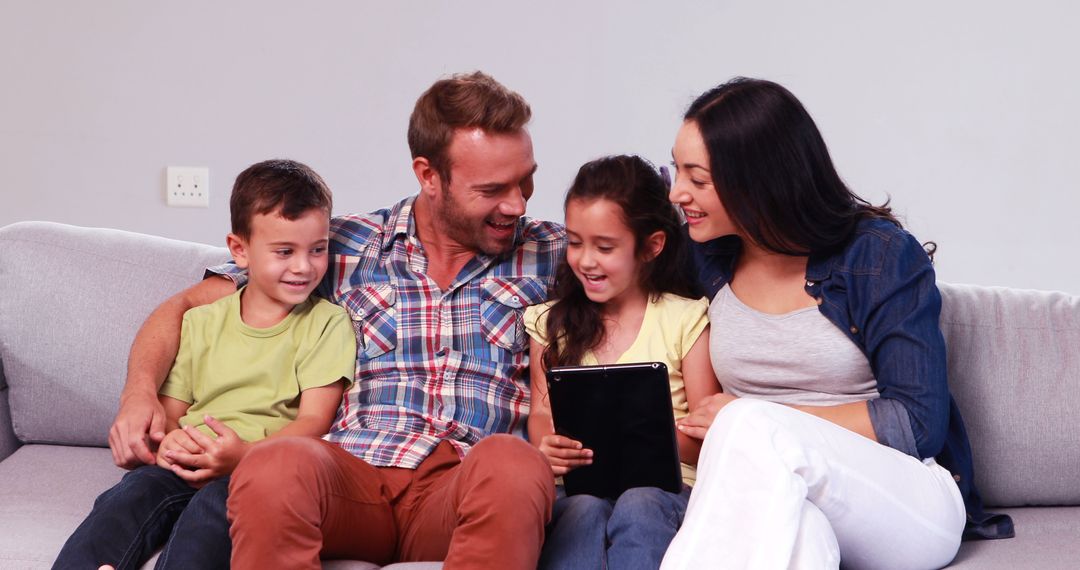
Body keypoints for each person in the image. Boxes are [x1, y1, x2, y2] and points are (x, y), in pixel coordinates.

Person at [106, 72, 564, 569]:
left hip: (462, 483)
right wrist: (138, 395)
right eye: (493, 189)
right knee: (276, 461)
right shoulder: (336, 246)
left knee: (516, 462)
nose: (517, 204)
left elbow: (646, 260)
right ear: (429, 176)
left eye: (527, 180)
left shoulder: (556, 251)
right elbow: (187, 307)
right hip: (349, 481)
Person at [660, 77, 1014, 569]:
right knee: (797, 539)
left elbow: (918, 423)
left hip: (905, 499)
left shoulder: (879, 256)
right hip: (786, 495)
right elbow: (607, 265)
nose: (678, 192)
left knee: (747, 422)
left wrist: (758, 415)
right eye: (676, 170)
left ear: (758, 180)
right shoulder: (706, 256)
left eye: (697, 179)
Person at [54, 159, 355, 570]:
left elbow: (313, 422)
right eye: (285, 251)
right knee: (125, 499)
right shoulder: (201, 321)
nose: (304, 266)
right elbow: (172, 413)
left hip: (254, 470)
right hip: (189, 462)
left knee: (213, 516)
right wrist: (171, 443)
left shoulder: (327, 323)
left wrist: (244, 454)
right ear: (239, 250)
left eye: (317, 250)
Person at [524, 155, 720, 569]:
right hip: (580, 486)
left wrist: (649, 436)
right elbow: (541, 411)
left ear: (651, 246)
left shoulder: (685, 319)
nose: (586, 260)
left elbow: (709, 435)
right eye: (575, 242)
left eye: (605, 247)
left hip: (667, 488)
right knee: (582, 510)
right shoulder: (549, 321)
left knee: (640, 503)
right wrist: (549, 445)